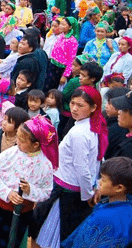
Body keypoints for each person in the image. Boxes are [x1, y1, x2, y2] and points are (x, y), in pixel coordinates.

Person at [33, 86, 108, 247]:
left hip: (67, 192)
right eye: (73, 103)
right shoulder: (93, 127)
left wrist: (88, 193)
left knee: (48, 234)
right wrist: (93, 187)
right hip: (77, 189)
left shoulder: (79, 133)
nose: (74, 108)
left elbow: (82, 168)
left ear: (94, 107)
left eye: (80, 105)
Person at [0, 115, 57, 248]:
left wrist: (30, 190)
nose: (18, 142)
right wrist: (8, 193)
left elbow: (46, 191)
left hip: (22, 213)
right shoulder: (11, 154)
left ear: (36, 144)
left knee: (12, 242)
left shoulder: (46, 165)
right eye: (18, 138)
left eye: (22, 140)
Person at [62, 156, 132, 247]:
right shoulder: (127, 207)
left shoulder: (105, 217)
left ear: (119, 188)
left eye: (103, 179)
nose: (99, 182)